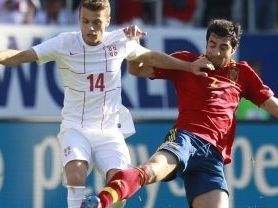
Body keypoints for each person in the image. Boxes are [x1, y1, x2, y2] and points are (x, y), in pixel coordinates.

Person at [0, 1, 213, 208]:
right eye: (85, 21)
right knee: (76, 173)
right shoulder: (64, 42)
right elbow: (21, 55)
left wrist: (188, 66)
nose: (91, 28)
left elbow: (152, 57)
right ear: (79, 19)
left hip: (109, 131)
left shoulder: (119, 42)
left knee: (119, 186)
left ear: (107, 20)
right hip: (76, 126)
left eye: (97, 22)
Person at [81, 18, 278, 208]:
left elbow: (272, 105)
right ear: (206, 43)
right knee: (150, 171)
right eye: (212, 44)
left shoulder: (242, 74)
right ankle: (100, 202)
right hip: (186, 139)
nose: (216, 52)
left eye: (223, 47)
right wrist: (134, 46)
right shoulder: (187, 62)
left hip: (212, 158)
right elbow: (137, 70)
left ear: (234, 49)